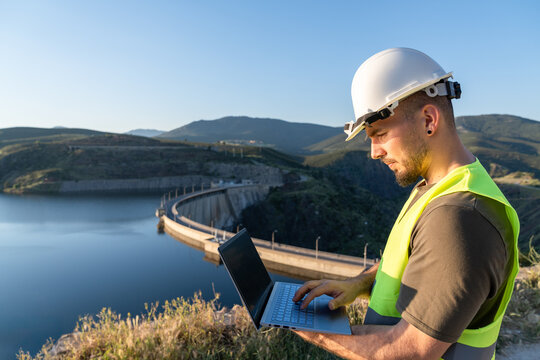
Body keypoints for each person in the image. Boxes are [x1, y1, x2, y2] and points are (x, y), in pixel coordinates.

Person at [292, 48, 520, 360]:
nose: (374, 152)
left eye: (380, 134)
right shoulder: (437, 188)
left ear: (429, 119)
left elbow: (410, 351)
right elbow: (415, 264)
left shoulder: (460, 217)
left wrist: (313, 328)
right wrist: (357, 284)